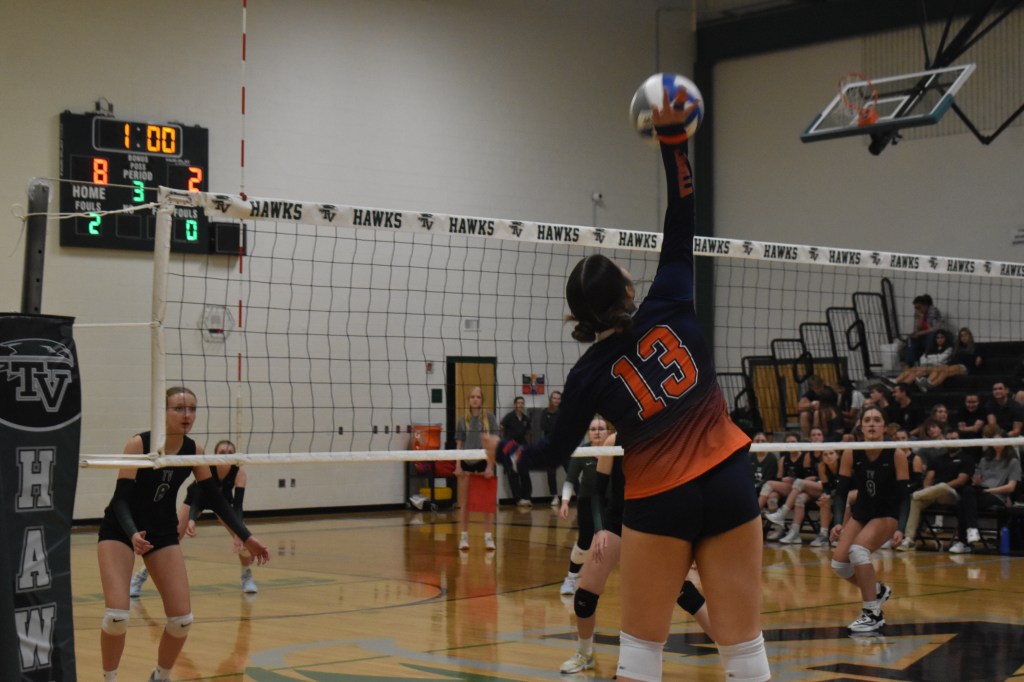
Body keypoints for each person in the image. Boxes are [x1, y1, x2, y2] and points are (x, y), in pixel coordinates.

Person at [487, 88, 769, 682]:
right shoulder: (671, 298)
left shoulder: (587, 374)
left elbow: (546, 454)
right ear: (628, 291)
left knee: (641, 654)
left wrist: (501, 449)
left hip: (658, 497)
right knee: (744, 652)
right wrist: (674, 141)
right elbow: (682, 212)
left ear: (581, 318)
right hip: (725, 476)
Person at [97, 387, 270, 682]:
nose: (187, 415)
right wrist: (131, 532)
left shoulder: (194, 450)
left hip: (162, 530)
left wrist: (246, 535)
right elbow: (121, 498)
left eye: (192, 409)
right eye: (179, 408)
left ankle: (161, 676)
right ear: (162, 411)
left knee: (181, 621)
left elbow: (214, 498)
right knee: (117, 616)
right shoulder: (139, 444)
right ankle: (109, 678)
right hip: (120, 529)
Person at [560, 433, 712, 674]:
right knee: (584, 595)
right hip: (615, 523)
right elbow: (597, 492)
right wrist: (599, 530)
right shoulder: (613, 442)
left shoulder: (661, 438)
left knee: (681, 591)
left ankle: (730, 648)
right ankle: (585, 654)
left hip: (650, 524)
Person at [129, 439, 258, 597]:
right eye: (222, 452)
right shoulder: (206, 468)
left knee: (244, 538)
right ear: (215, 455)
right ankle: (140, 577)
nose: (227, 456)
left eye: (230, 453)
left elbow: (238, 505)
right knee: (170, 538)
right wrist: (192, 519)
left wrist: (239, 532)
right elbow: (197, 497)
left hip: (222, 503)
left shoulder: (239, 472)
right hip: (196, 499)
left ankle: (246, 575)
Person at [829, 405, 909, 632]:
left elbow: (905, 496)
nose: (872, 424)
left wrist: (901, 528)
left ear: (884, 426)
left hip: (886, 514)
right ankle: (878, 590)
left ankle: (872, 613)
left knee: (858, 551)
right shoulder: (851, 452)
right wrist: (837, 521)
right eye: (867, 420)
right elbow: (841, 491)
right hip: (862, 513)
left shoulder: (896, 454)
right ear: (861, 426)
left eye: (876, 420)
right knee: (840, 565)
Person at [898, 425, 975, 551]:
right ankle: (909, 539)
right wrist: (928, 490)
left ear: (960, 440)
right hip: (933, 494)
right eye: (949, 439)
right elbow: (929, 477)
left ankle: (918, 494)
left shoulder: (967, 458)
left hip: (953, 495)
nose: (951, 442)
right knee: (916, 500)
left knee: (941, 486)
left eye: (954, 439)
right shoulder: (938, 459)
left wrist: (933, 489)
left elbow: (961, 480)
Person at [949, 425, 1021, 554]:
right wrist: (976, 481)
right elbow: (977, 479)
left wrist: (990, 491)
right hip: (980, 492)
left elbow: (1011, 487)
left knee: (963, 502)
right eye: (994, 441)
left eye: (1000, 441)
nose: (996, 445)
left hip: (997, 496)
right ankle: (971, 532)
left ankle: (964, 541)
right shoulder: (984, 460)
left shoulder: (1013, 462)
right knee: (967, 491)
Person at [557, 416, 606, 595]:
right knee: (584, 542)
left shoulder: (616, 450)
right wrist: (564, 501)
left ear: (608, 432)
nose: (597, 432)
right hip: (587, 500)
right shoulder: (582, 452)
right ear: (588, 433)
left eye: (601, 429)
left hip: (611, 501)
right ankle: (571, 578)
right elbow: (570, 479)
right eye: (593, 429)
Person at [454, 386, 498, 551]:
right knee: (464, 503)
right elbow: (459, 445)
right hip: (466, 463)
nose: (475, 399)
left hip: (483, 462)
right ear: (468, 400)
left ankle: (488, 538)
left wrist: (489, 466)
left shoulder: (489, 418)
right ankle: (464, 537)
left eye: (478, 397)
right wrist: (457, 465)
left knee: (486, 504)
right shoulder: (462, 420)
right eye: (472, 396)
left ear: (482, 400)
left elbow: (493, 444)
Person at [898, 327, 983, 392]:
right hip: (953, 364)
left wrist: (980, 356)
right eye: (961, 336)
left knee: (947, 370)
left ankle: (932, 384)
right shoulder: (957, 347)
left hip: (965, 367)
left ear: (970, 335)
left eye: (965, 335)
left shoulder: (975, 346)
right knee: (941, 368)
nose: (963, 337)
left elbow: (982, 354)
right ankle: (927, 382)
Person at [500, 396, 533, 507]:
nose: (520, 405)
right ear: (515, 405)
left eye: (522, 403)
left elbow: (528, 432)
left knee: (525, 474)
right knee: (513, 475)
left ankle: (527, 497)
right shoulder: (509, 417)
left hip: (522, 449)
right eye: (518, 403)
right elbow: (501, 428)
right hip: (511, 449)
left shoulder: (525, 419)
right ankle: (518, 499)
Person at [902, 294, 945, 366]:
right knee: (911, 338)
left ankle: (926, 360)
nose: (917, 309)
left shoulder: (933, 310)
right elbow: (916, 327)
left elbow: (934, 328)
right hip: (922, 334)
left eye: (919, 307)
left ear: (925, 305)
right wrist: (920, 319)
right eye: (915, 308)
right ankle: (909, 363)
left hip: (932, 333)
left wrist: (920, 333)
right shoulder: (917, 312)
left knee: (931, 336)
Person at [541, 390, 563, 507]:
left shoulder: (564, 412)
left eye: (558, 398)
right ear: (551, 399)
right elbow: (544, 427)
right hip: (550, 447)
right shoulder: (545, 412)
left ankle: (579, 494)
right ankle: (554, 496)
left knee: (571, 470)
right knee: (550, 473)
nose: (556, 400)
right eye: (554, 398)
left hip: (563, 446)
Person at [748, 433, 778, 499]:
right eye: (757, 441)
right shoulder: (749, 457)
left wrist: (756, 486)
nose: (760, 443)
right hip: (749, 488)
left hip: (765, 489)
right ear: (752, 442)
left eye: (763, 441)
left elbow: (769, 479)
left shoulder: (772, 458)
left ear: (767, 443)